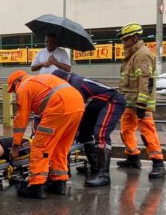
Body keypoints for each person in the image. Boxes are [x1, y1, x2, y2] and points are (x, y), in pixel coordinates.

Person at [7, 70, 84, 198]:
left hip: (59, 105)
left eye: (13, 88)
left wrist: (16, 145)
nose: (15, 92)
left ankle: (36, 186)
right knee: (60, 147)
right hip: (77, 104)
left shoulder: (24, 87)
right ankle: (59, 182)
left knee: (40, 146)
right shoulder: (40, 79)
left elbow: (21, 120)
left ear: (17, 81)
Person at [53, 69, 126, 187]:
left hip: (113, 100)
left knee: (101, 133)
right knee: (84, 133)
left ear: (63, 80)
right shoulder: (73, 81)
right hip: (99, 101)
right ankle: (96, 167)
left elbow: (76, 109)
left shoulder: (75, 84)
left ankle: (104, 176)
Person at [116, 23, 166, 179]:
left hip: (139, 103)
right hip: (129, 101)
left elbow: (146, 81)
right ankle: (133, 157)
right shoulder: (132, 54)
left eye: (125, 40)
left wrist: (142, 104)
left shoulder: (142, 55)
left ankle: (158, 163)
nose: (123, 43)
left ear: (134, 38)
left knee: (147, 132)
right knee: (126, 130)